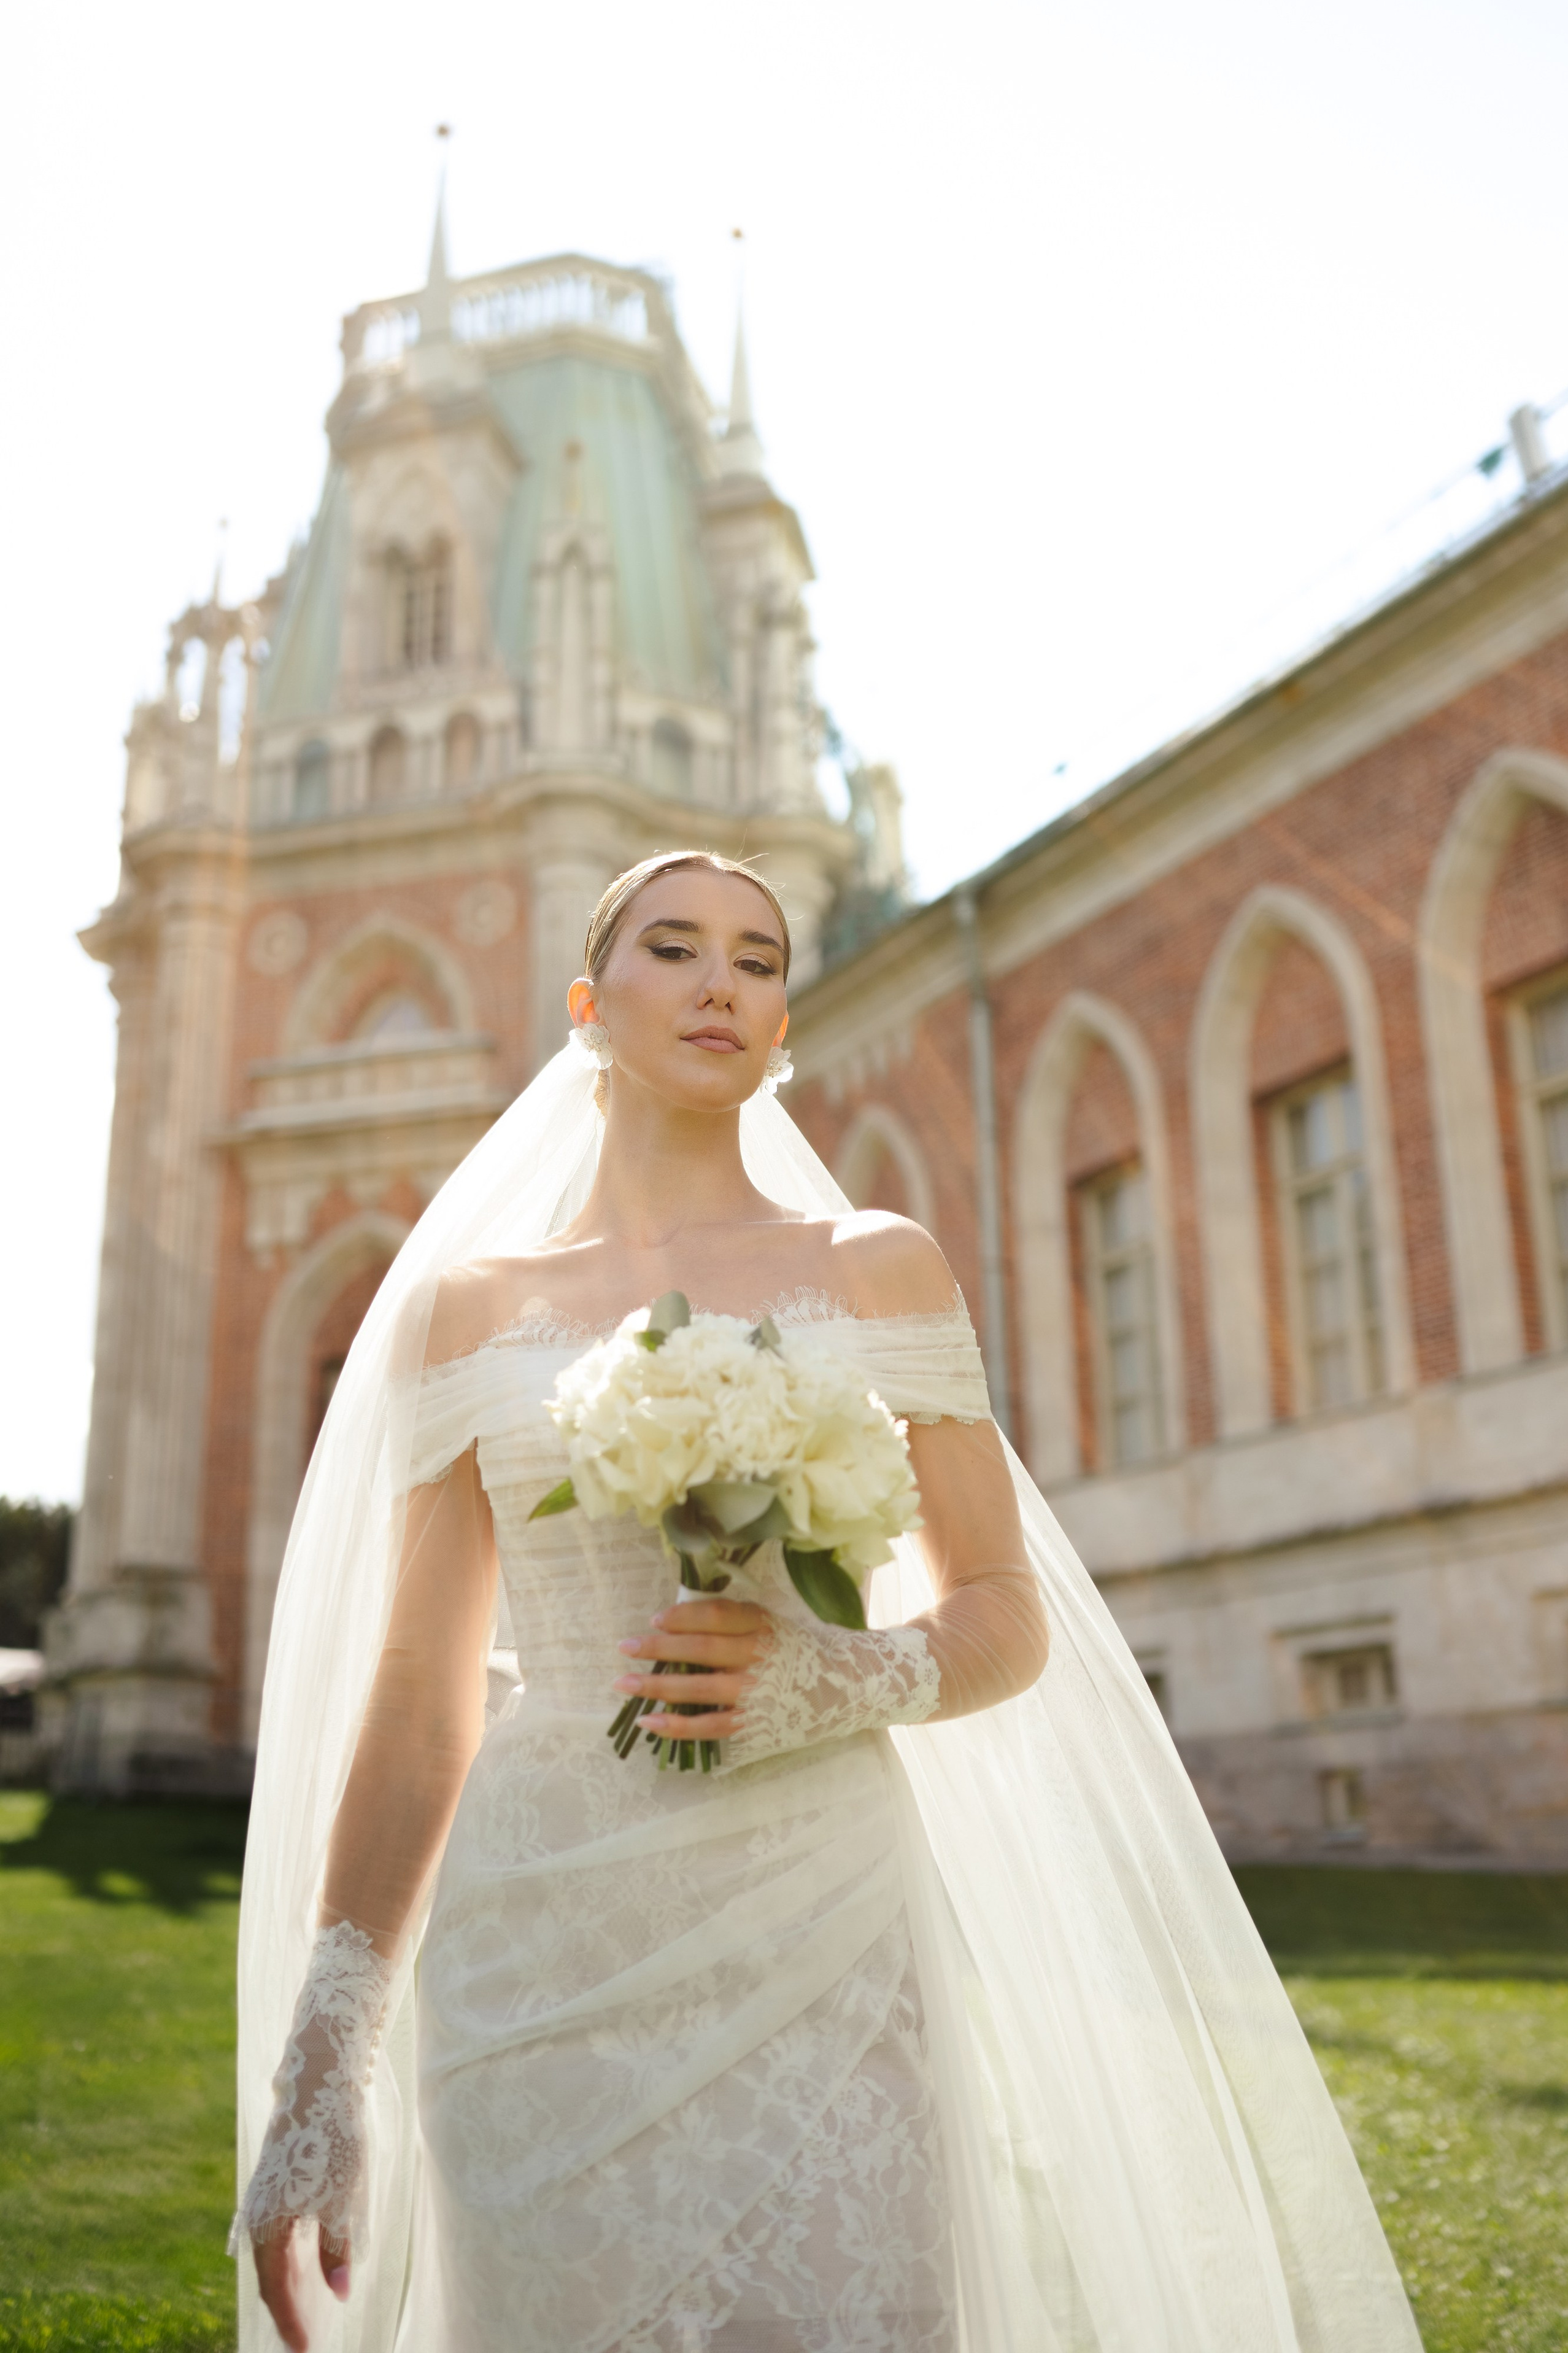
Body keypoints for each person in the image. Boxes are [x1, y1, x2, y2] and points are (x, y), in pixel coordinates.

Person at [233, 852, 1421, 2352]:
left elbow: (1000, 1611)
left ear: (784, 1021)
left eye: (761, 958)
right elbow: (418, 1697)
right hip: (537, 1944)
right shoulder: (468, 1311)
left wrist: (835, 1678)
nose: (724, 982)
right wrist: (326, 2060)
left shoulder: (876, 1269)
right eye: (676, 949)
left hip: (816, 1909)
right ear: (590, 1006)